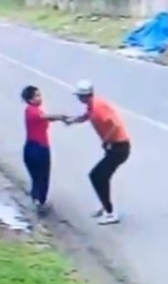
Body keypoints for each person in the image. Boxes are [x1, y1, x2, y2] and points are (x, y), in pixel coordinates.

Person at [65, 80, 130, 225]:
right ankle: (105, 204)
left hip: (119, 147)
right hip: (114, 147)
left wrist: (106, 140)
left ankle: (110, 213)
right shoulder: (92, 104)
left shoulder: (98, 107)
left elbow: (115, 124)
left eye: (78, 96)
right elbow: (87, 116)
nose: (77, 99)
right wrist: (73, 120)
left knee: (97, 176)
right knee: (101, 177)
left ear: (84, 96)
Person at [21, 85, 66, 214]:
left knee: (36, 177)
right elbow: (45, 117)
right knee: (43, 177)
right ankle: (40, 202)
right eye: (37, 96)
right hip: (39, 149)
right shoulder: (33, 111)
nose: (40, 98)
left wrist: (58, 118)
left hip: (30, 148)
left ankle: (36, 199)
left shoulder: (32, 110)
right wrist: (61, 117)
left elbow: (46, 117)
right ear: (30, 99)